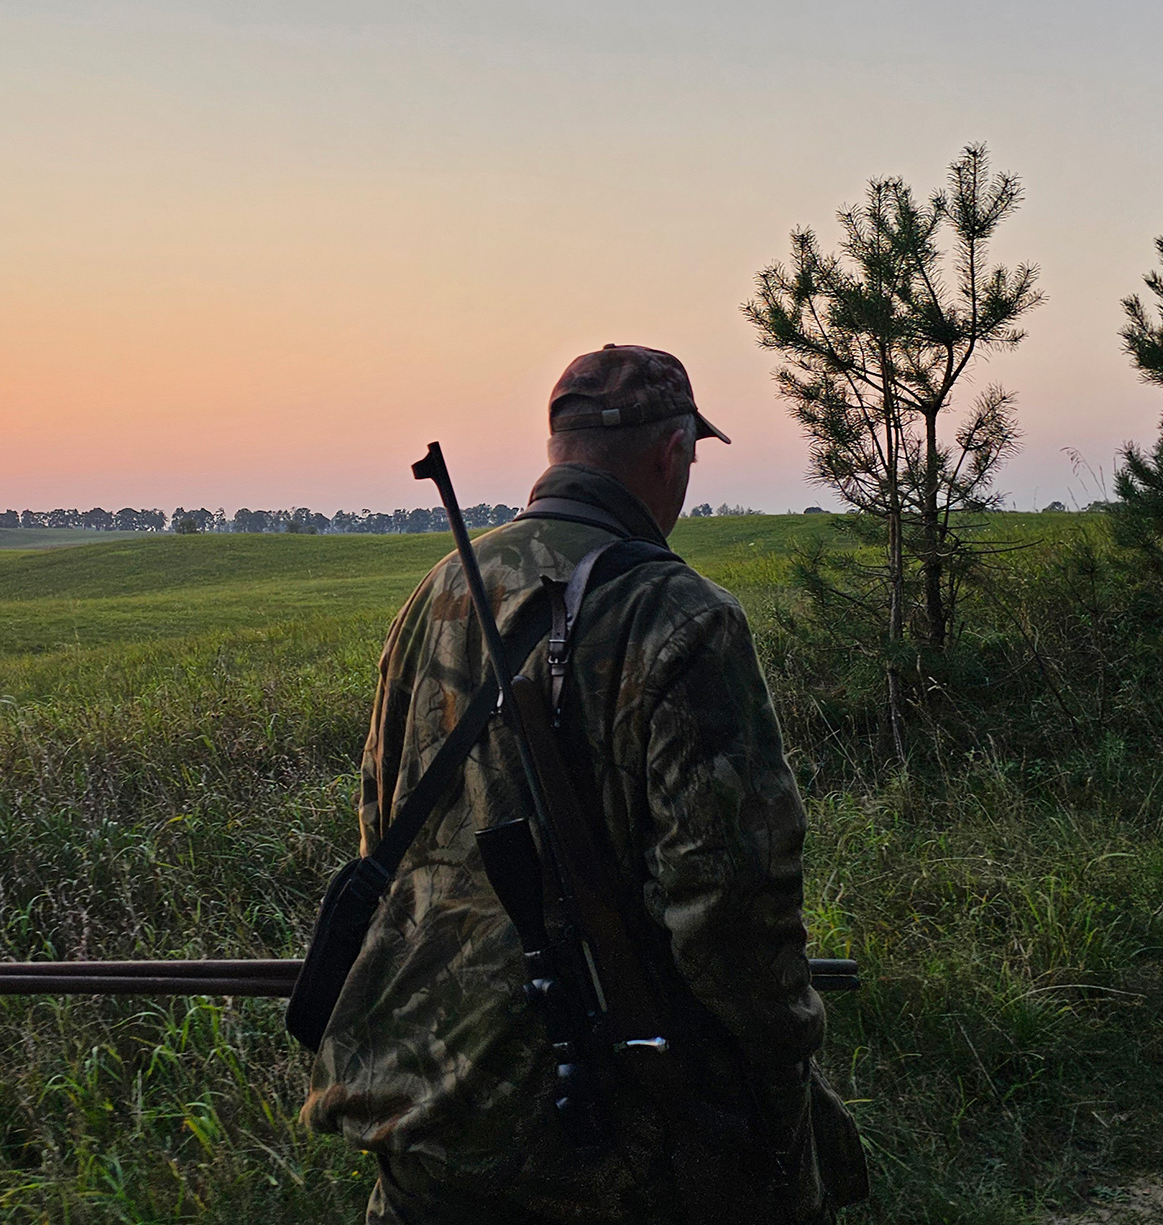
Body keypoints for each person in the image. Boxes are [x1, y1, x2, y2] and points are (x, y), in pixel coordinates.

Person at [302, 345, 864, 1223]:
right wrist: (774, 1083)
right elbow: (731, 907)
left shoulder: (439, 589)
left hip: (419, 1097)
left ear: (557, 450)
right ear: (672, 453)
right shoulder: (681, 616)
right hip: (600, 1129)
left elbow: (378, 828)